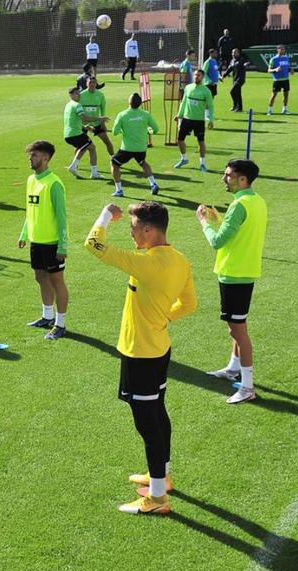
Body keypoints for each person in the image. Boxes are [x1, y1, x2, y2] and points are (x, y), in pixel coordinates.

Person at [83, 201, 196, 514]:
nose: (131, 234)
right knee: (158, 412)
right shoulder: (179, 260)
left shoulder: (147, 264)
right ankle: (162, 475)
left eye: (133, 228)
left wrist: (105, 215)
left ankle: (157, 498)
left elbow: (94, 244)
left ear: (149, 229)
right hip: (158, 348)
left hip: (140, 354)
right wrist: (162, 318)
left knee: (147, 424)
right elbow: (189, 304)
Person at [198, 159, 267, 405]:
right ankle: (233, 368)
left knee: (237, 330)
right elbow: (238, 229)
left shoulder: (239, 205)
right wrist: (219, 218)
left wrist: (204, 222)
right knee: (238, 326)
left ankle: (247, 386)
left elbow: (217, 241)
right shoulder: (255, 201)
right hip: (245, 271)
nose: (223, 178)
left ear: (242, 179)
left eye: (228, 175)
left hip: (234, 274)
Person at [17, 140, 70, 340]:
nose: (31, 158)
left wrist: (62, 246)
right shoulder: (32, 180)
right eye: (30, 155)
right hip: (36, 241)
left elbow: (62, 218)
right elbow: (30, 211)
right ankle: (47, 316)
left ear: (46, 158)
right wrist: (24, 234)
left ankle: (61, 324)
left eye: (35, 155)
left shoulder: (54, 183)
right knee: (40, 277)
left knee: (57, 282)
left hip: (53, 244)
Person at [110, 93, 161, 197]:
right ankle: (153, 183)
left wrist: (122, 130)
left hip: (127, 148)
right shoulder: (145, 114)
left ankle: (119, 190)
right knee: (143, 163)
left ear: (129, 102)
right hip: (141, 148)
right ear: (140, 103)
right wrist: (149, 131)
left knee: (114, 164)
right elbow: (156, 129)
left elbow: (114, 132)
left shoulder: (122, 114)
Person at [174, 68, 214, 172]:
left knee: (201, 142)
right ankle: (184, 158)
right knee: (180, 140)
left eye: (199, 75)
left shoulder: (206, 91)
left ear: (202, 77)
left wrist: (211, 120)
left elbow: (210, 106)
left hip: (199, 121)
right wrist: (179, 115)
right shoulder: (188, 87)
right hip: (187, 119)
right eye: (195, 75)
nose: (196, 77)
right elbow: (183, 102)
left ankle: (202, 163)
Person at [63, 86, 106, 179]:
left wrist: (85, 127)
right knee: (89, 147)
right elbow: (85, 118)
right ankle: (74, 167)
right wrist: (100, 118)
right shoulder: (77, 105)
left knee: (89, 147)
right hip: (76, 134)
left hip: (68, 134)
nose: (79, 95)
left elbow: (71, 120)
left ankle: (93, 172)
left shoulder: (68, 105)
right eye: (77, 93)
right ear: (71, 95)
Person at [79, 76, 116, 161]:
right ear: (86, 84)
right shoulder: (81, 95)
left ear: (96, 84)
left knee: (107, 141)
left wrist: (102, 122)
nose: (92, 84)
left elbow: (103, 108)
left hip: (97, 122)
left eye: (94, 82)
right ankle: (75, 164)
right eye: (90, 82)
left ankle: (113, 158)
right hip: (83, 123)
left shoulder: (100, 95)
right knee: (80, 145)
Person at [266, 44, 293, 115]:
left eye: (283, 49)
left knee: (286, 95)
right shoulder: (273, 59)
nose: (282, 50)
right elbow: (269, 70)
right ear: (277, 50)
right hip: (277, 80)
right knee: (274, 95)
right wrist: (275, 69)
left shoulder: (286, 58)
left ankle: (284, 109)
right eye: (280, 49)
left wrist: (291, 70)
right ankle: (269, 110)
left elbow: (288, 67)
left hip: (286, 79)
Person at [223, 48, 250, 113]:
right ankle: (238, 108)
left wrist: (246, 64)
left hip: (240, 79)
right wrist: (223, 76)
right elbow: (229, 69)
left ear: (238, 53)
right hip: (234, 79)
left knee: (232, 92)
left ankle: (237, 106)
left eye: (235, 52)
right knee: (238, 93)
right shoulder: (232, 61)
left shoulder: (241, 60)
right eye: (232, 52)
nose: (233, 54)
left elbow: (247, 62)